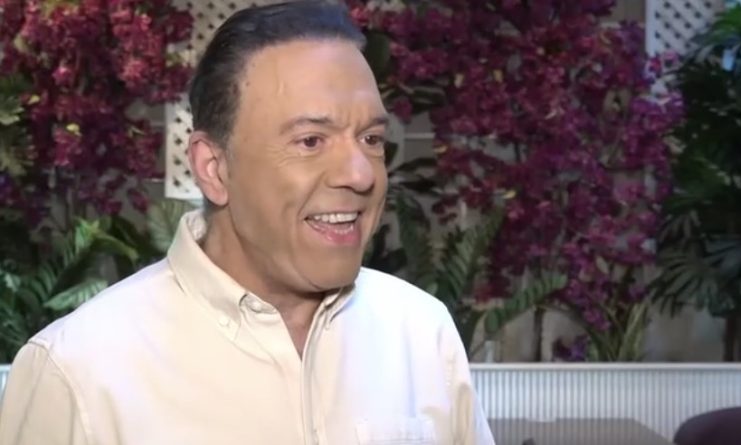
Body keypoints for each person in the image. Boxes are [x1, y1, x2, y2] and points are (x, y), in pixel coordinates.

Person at [0, 1, 495, 444]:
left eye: (370, 139)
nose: (360, 174)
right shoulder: (76, 373)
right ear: (215, 169)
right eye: (310, 141)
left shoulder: (421, 333)